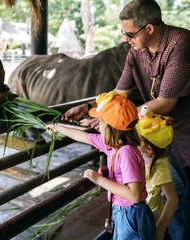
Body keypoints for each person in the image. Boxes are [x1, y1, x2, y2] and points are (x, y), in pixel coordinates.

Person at [63, 1, 190, 239]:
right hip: (153, 130)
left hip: (182, 131)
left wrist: (114, 116)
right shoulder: (136, 50)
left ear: (150, 29)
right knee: (163, 192)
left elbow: (165, 102)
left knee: (180, 196)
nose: (126, 39)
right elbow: (120, 92)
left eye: (130, 34)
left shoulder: (180, 43)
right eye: (124, 33)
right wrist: (91, 107)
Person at [47, 92, 156, 239]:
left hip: (131, 214)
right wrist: (57, 128)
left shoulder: (126, 153)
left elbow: (134, 195)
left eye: (101, 123)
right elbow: (81, 136)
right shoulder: (111, 146)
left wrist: (99, 180)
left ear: (111, 128)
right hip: (122, 211)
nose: (97, 126)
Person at [136, 105, 178, 240]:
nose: (133, 141)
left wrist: (161, 227)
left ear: (148, 149)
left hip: (150, 223)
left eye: (138, 140)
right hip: (138, 218)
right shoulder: (141, 157)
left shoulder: (159, 167)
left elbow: (173, 199)